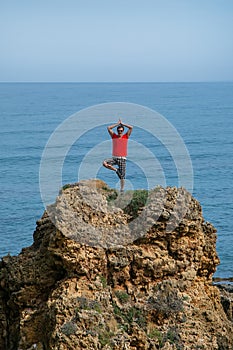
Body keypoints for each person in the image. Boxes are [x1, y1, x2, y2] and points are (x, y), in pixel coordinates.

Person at [103, 119, 133, 192]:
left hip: (122, 158)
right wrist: (117, 124)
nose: (120, 132)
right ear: (117, 131)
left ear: (123, 131)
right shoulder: (114, 136)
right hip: (114, 158)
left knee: (122, 176)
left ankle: (122, 189)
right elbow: (109, 128)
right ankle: (115, 170)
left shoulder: (126, 136)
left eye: (121, 130)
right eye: (119, 130)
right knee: (104, 163)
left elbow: (131, 127)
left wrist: (123, 123)